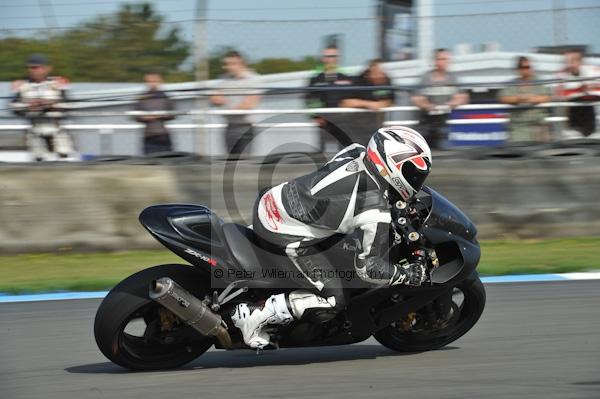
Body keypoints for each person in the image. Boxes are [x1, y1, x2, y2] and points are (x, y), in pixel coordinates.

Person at [231, 126, 432, 349]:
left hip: (275, 200)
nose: (416, 181)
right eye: (413, 173)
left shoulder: (355, 152)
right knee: (335, 300)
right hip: (284, 233)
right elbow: (368, 269)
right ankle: (255, 317)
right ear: (393, 166)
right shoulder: (374, 209)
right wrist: (405, 275)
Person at [10, 54, 73, 161]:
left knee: (65, 157)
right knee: (38, 161)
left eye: (36, 67)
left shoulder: (58, 82)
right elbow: (13, 107)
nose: (32, 71)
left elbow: (69, 105)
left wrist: (52, 105)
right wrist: (28, 106)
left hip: (56, 129)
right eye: (30, 68)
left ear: (48, 68)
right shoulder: (21, 85)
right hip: (35, 129)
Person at [411, 49, 468, 150]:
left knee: (443, 152)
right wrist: (428, 106)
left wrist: (449, 104)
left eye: (445, 59)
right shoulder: (425, 78)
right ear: (434, 61)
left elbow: (462, 97)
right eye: (440, 59)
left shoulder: (453, 78)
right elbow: (417, 98)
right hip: (426, 123)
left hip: (444, 122)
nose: (442, 62)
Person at [210, 51, 261, 155]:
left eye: (231, 64)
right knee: (230, 163)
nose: (227, 67)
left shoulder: (254, 79)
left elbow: (249, 105)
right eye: (226, 64)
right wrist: (217, 99)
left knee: (243, 163)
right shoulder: (224, 79)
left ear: (241, 64)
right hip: (229, 126)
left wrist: (226, 107)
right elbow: (214, 98)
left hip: (245, 126)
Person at [305, 45, 354, 153]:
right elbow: (309, 98)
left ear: (338, 58)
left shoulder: (346, 78)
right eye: (327, 56)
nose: (330, 59)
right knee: (322, 153)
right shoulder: (315, 79)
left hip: (343, 122)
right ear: (323, 58)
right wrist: (316, 116)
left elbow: (351, 97)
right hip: (324, 122)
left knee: (345, 151)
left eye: (333, 56)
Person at [339, 59, 396, 145]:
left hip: (377, 130)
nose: (380, 75)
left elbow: (390, 101)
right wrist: (369, 104)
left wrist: (381, 104)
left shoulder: (386, 80)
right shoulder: (358, 81)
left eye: (382, 72)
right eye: (377, 72)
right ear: (371, 71)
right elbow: (345, 102)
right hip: (356, 129)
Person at [499, 56, 553, 142]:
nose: (529, 69)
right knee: (518, 152)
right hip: (518, 127)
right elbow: (503, 98)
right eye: (526, 67)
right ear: (519, 69)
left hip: (538, 126)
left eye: (530, 67)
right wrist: (519, 98)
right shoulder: (512, 83)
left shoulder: (539, 82)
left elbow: (548, 96)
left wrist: (534, 99)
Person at [556, 49, 600, 137]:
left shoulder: (592, 71)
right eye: (567, 61)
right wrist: (581, 90)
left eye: (573, 60)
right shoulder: (561, 74)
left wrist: (588, 89)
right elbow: (560, 95)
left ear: (581, 61)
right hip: (573, 118)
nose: (570, 64)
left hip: (590, 118)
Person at [134, 72, 175, 154]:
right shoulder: (141, 97)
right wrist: (145, 118)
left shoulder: (165, 97)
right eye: (149, 81)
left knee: (167, 160)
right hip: (148, 135)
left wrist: (160, 115)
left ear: (160, 82)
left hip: (163, 135)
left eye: (155, 81)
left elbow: (173, 114)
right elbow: (135, 115)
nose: (152, 84)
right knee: (149, 163)